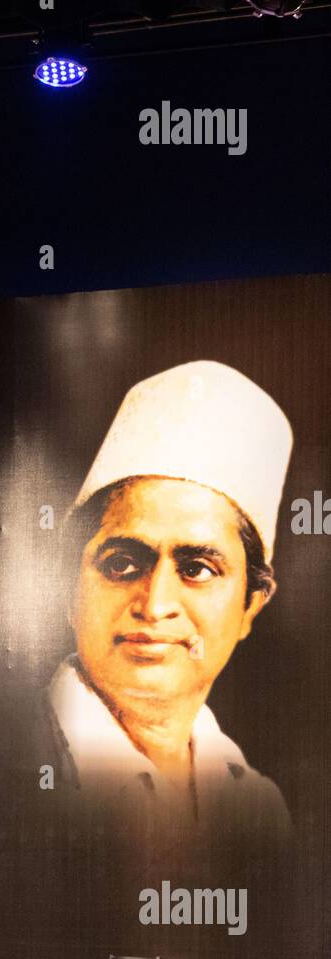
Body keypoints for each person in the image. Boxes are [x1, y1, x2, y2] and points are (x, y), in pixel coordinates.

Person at [43, 360, 295, 860]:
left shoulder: (258, 808)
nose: (155, 606)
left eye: (197, 568)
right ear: (69, 591)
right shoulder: (1, 769)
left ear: (250, 608)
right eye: (121, 564)